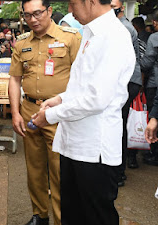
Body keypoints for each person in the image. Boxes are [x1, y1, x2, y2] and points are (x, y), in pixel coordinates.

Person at [31, 0, 136, 224]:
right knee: (72, 214)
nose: (70, 10)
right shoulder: (90, 33)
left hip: (94, 148)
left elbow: (96, 99)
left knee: (95, 216)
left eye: (73, 3)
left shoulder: (113, 36)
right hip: (76, 144)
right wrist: (60, 99)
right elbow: (82, 87)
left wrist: (49, 116)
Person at [8, 0, 81, 224]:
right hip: (30, 111)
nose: (33, 19)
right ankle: (39, 215)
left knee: (59, 172)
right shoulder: (21, 43)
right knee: (35, 169)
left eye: (37, 13)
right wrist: (15, 113)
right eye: (27, 15)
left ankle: (61, 219)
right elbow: (14, 79)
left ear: (49, 11)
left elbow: (82, 78)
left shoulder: (70, 38)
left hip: (59, 113)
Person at [111, 0, 142, 184]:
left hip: (127, 81)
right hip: (130, 80)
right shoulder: (122, 26)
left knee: (118, 125)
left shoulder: (122, 28)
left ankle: (119, 172)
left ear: (120, 8)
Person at [141, 11, 158, 166]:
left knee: (154, 117)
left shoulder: (154, 37)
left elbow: (147, 62)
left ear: (155, 23)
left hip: (154, 82)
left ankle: (154, 154)